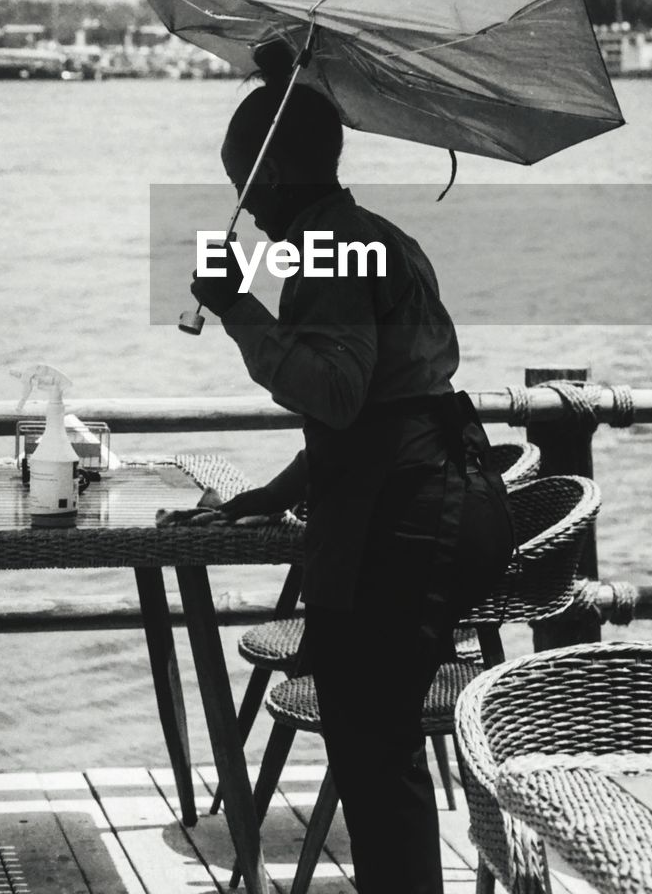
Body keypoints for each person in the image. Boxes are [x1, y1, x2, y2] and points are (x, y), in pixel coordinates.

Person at [184, 45, 516, 894]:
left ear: (285, 171)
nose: (247, 210)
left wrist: (237, 309)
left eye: (250, 185)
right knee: (378, 743)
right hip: (451, 493)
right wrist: (278, 492)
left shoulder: (329, 250)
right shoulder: (381, 240)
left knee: (374, 751)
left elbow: (333, 394)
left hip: (405, 519)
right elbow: (385, 403)